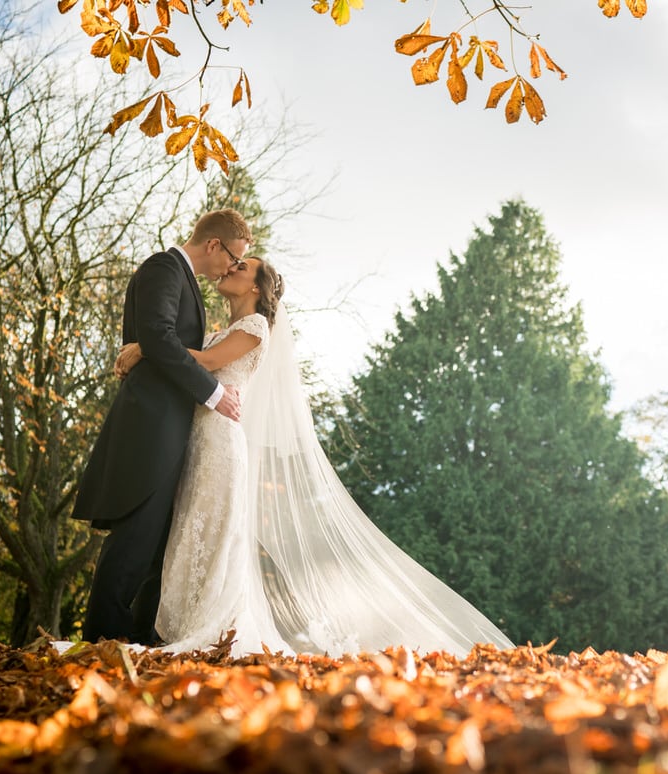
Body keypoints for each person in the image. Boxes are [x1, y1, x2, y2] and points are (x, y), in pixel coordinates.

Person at [116, 257, 514, 656]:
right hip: (199, 441)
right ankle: (178, 626)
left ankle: (207, 630)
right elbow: (187, 361)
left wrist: (144, 349)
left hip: (221, 444)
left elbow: (203, 363)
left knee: (212, 535)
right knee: (191, 531)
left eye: (242, 267)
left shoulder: (255, 328)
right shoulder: (224, 331)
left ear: (256, 287)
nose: (231, 268)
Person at [72, 209, 252, 645]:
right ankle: (102, 640)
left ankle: (139, 638)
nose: (230, 267)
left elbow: (159, 341)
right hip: (149, 426)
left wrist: (146, 349)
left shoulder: (184, 280)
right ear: (213, 244)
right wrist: (212, 393)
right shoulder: (164, 267)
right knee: (134, 536)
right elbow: (156, 331)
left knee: (155, 542)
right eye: (232, 257)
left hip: (170, 429)